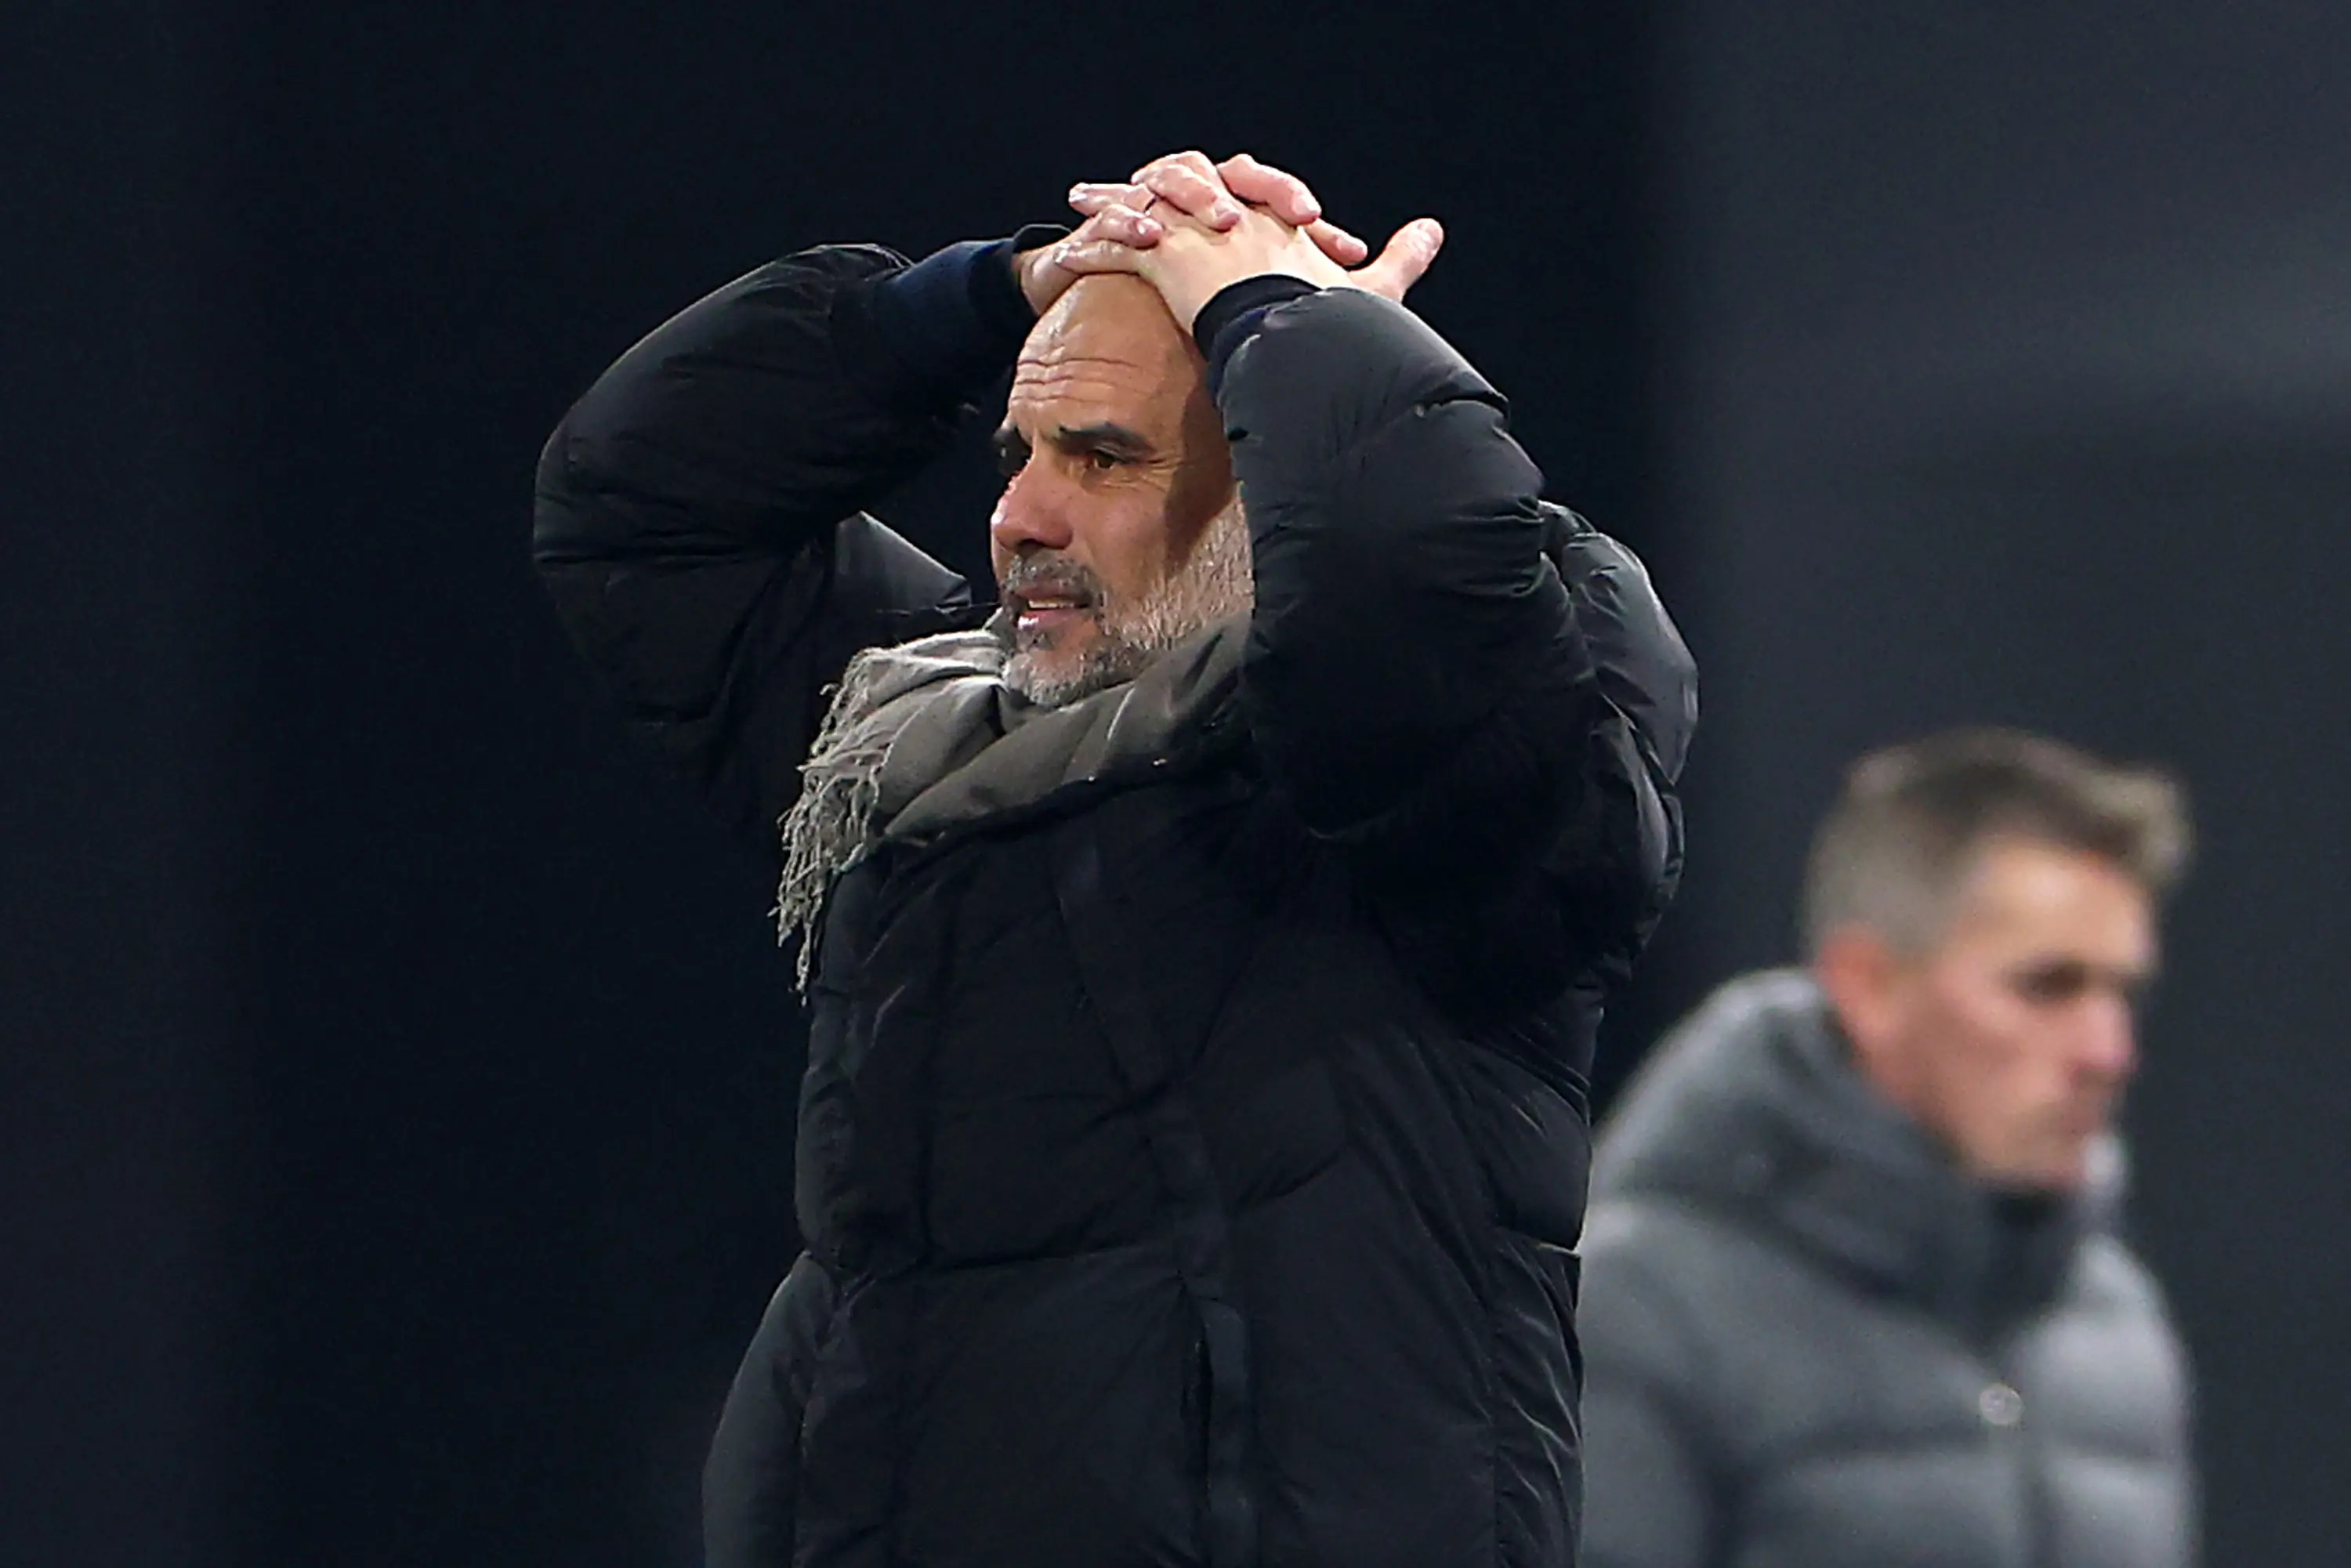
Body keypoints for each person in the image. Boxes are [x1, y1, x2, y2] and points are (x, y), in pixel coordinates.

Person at [533, 148, 1696, 1567]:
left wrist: (1286, 315)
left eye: (1102, 457)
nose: (1020, 516)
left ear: (1278, 502)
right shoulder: (929, 742)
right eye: (1021, 453)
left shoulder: (1471, 781)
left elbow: (1413, 584)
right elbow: (641, 499)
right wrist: (1015, 284)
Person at [1578, 728, 2198, 1568]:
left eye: (2122, 992)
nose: (2107, 1051)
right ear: (1868, 986)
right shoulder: (1638, 1310)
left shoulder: (2111, 1315)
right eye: (2046, 986)